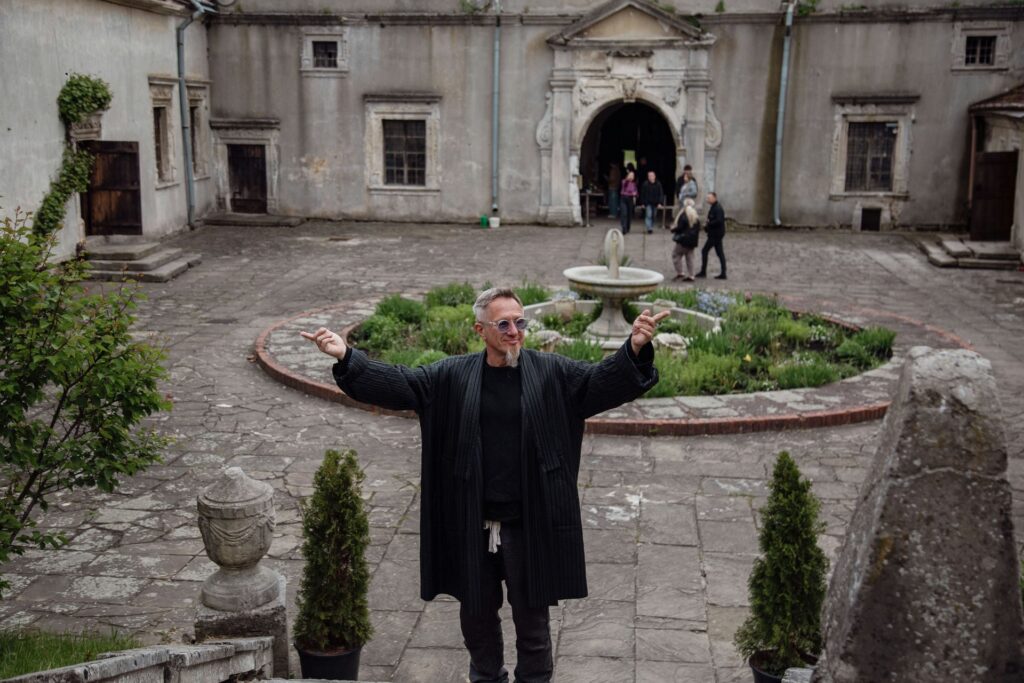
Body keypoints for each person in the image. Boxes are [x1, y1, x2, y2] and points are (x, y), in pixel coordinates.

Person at [300, 288, 669, 683]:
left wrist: (633, 349)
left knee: (533, 627)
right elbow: (401, 384)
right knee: (476, 623)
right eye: (503, 324)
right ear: (480, 330)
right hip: (472, 523)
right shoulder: (453, 376)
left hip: (527, 525)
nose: (514, 331)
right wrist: (347, 356)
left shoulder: (552, 373)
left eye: (520, 322)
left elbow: (600, 381)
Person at [696, 191, 726, 280]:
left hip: (715, 234)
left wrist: (709, 224)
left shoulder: (718, 208)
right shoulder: (714, 207)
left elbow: (719, 221)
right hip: (715, 233)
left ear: (714, 198)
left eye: (709, 198)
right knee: (719, 253)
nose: (707, 199)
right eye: (707, 198)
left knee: (705, 251)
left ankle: (703, 272)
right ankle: (723, 273)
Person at [670, 198, 700, 281]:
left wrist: (673, 229)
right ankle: (691, 275)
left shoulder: (683, 215)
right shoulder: (695, 215)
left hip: (683, 240)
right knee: (690, 257)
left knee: (676, 254)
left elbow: (680, 227)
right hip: (692, 241)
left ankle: (680, 272)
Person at [639, 170, 665, 234]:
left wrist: (660, 203)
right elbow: (642, 194)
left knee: (654, 216)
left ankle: (651, 226)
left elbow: (661, 194)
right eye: (649, 176)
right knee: (649, 215)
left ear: (654, 176)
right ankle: (649, 228)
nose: (651, 177)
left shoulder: (658, 184)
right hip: (648, 203)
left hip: (655, 203)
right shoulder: (645, 184)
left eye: (652, 176)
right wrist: (642, 203)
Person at [619, 170, 639, 234]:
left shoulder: (634, 184)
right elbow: (624, 186)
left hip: (630, 199)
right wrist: (627, 179)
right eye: (630, 175)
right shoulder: (624, 181)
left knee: (629, 214)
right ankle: (624, 227)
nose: (631, 177)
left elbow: (636, 192)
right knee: (624, 213)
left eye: (633, 175)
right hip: (623, 198)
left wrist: (635, 194)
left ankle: (628, 227)